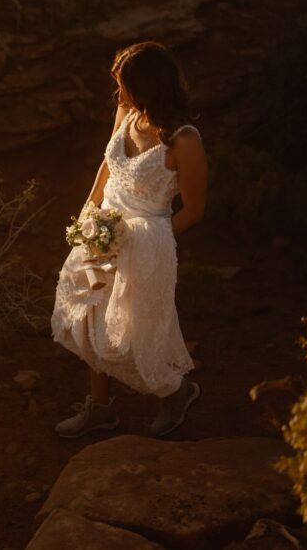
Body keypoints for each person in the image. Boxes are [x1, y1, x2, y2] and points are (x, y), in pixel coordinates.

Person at [50, 41, 208, 439]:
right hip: (101, 230)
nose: (118, 95)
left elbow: (194, 209)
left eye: (125, 87)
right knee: (88, 316)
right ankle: (100, 407)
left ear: (149, 88)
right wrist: (89, 215)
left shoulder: (184, 142)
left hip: (146, 244)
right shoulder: (127, 113)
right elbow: (108, 164)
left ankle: (174, 391)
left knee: (137, 330)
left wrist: (143, 243)